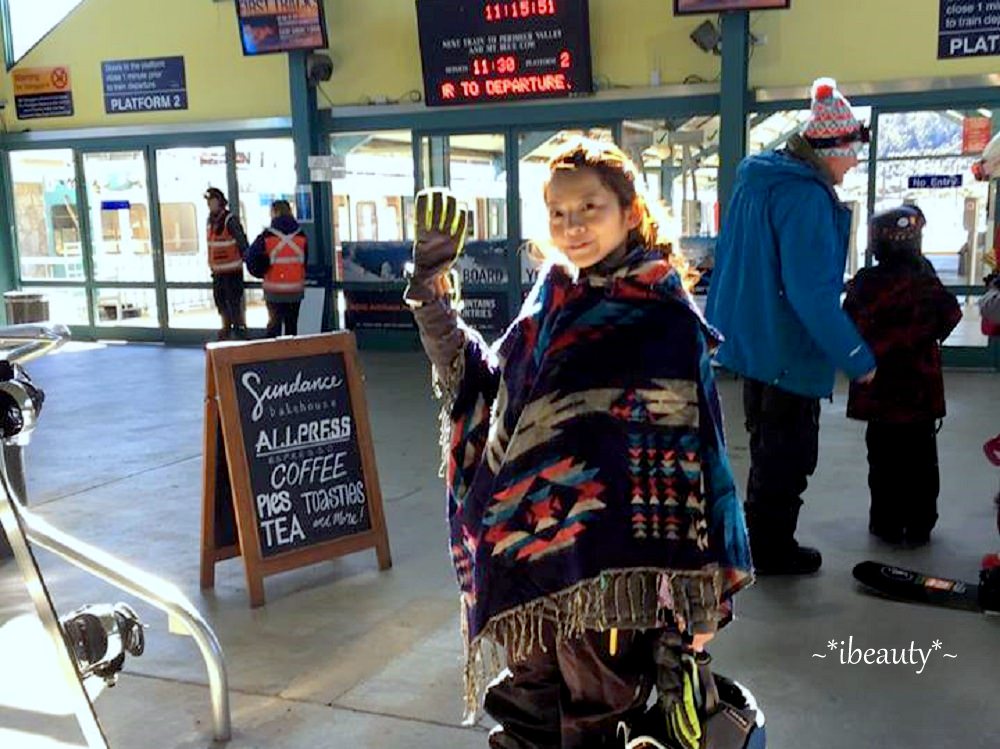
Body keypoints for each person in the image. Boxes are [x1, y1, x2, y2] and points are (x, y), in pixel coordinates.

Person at [404, 140, 752, 749]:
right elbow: (487, 388)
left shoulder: (665, 317)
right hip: (528, 560)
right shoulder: (550, 300)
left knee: (596, 715)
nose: (574, 225)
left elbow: (705, 460)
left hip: (615, 571)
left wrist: (702, 602)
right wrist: (431, 297)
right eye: (559, 212)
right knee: (529, 709)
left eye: (589, 206)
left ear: (629, 211)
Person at [705, 77, 877, 575]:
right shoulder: (804, 197)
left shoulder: (759, 182)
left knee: (765, 447)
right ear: (828, 149)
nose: (854, 163)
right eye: (851, 153)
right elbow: (811, 293)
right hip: (785, 349)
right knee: (788, 455)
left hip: (753, 344)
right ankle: (770, 549)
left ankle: (758, 539)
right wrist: (857, 359)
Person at [843, 206, 962, 545]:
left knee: (882, 460)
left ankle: (886, 521)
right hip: (920, 391)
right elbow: (950, 316)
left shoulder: (866, 283)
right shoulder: (926, 279)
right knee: (922, 460)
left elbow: (847, 322)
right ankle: (921, 522)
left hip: (879, 391)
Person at [246, 200, 307, 338]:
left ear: (276, 212)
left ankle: (273, 356)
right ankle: (291, 356)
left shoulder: (267, 236)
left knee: (274, 327)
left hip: (274, 290)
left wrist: (261, 270)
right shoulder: (301, 235)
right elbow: (305, 261)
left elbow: (250, 257)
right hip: (295, 290)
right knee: (292, 326)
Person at [204, 187, 249, 340]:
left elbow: (242, 242)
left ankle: (238, 331)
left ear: (220, 202)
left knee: (233, 303)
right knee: (221, 303)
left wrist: (248, 259)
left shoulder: (230, 220)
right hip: (218, 273)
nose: (210, 205)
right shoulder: (210, 221)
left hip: (232, 272)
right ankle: (227, 329)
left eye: (212, 201)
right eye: (209, 202)